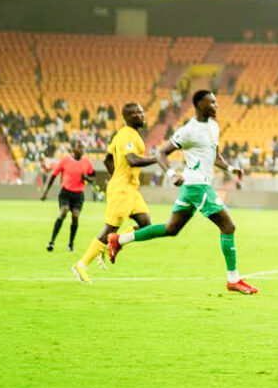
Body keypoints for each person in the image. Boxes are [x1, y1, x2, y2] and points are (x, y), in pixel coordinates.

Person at [107, 91, 258, 295]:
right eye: (212, 102)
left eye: (216, 102)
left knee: (171, 228)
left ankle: (119, 240)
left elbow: (214, 155)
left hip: (192, 187)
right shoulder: (188, 131)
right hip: (197, 186)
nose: (216, 106)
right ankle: (233, 280)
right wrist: (170, 174)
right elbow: (161, 153)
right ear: (199, 105)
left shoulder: (213, 126)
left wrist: (230, 168)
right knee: (228, 226)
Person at [71, 103, 158, 283]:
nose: (141, 115)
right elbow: (132, 159)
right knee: (110, 229)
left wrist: (117, 176)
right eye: (136, 113)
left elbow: (107, 159)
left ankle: (114, 242)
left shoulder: (124, 134)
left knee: (146, 225)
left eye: (141, 112)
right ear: (127, 117)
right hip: (122, 190)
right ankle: (81, 264)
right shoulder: (127, 135)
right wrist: (156, 159)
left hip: (130, 188)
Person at [40, 141, 95, 253]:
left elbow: (93, 177)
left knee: (75, 217)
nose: (81, 150)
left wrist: (87, 178)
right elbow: (53, 175)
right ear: (73, 149)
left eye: (82, 148)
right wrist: (45, 192)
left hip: (78, 195)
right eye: (79, 147)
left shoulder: (87, 163)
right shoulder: (64, 161)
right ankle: (51, 242)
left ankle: (70, 245)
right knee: (63, 212)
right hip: (66, 193)